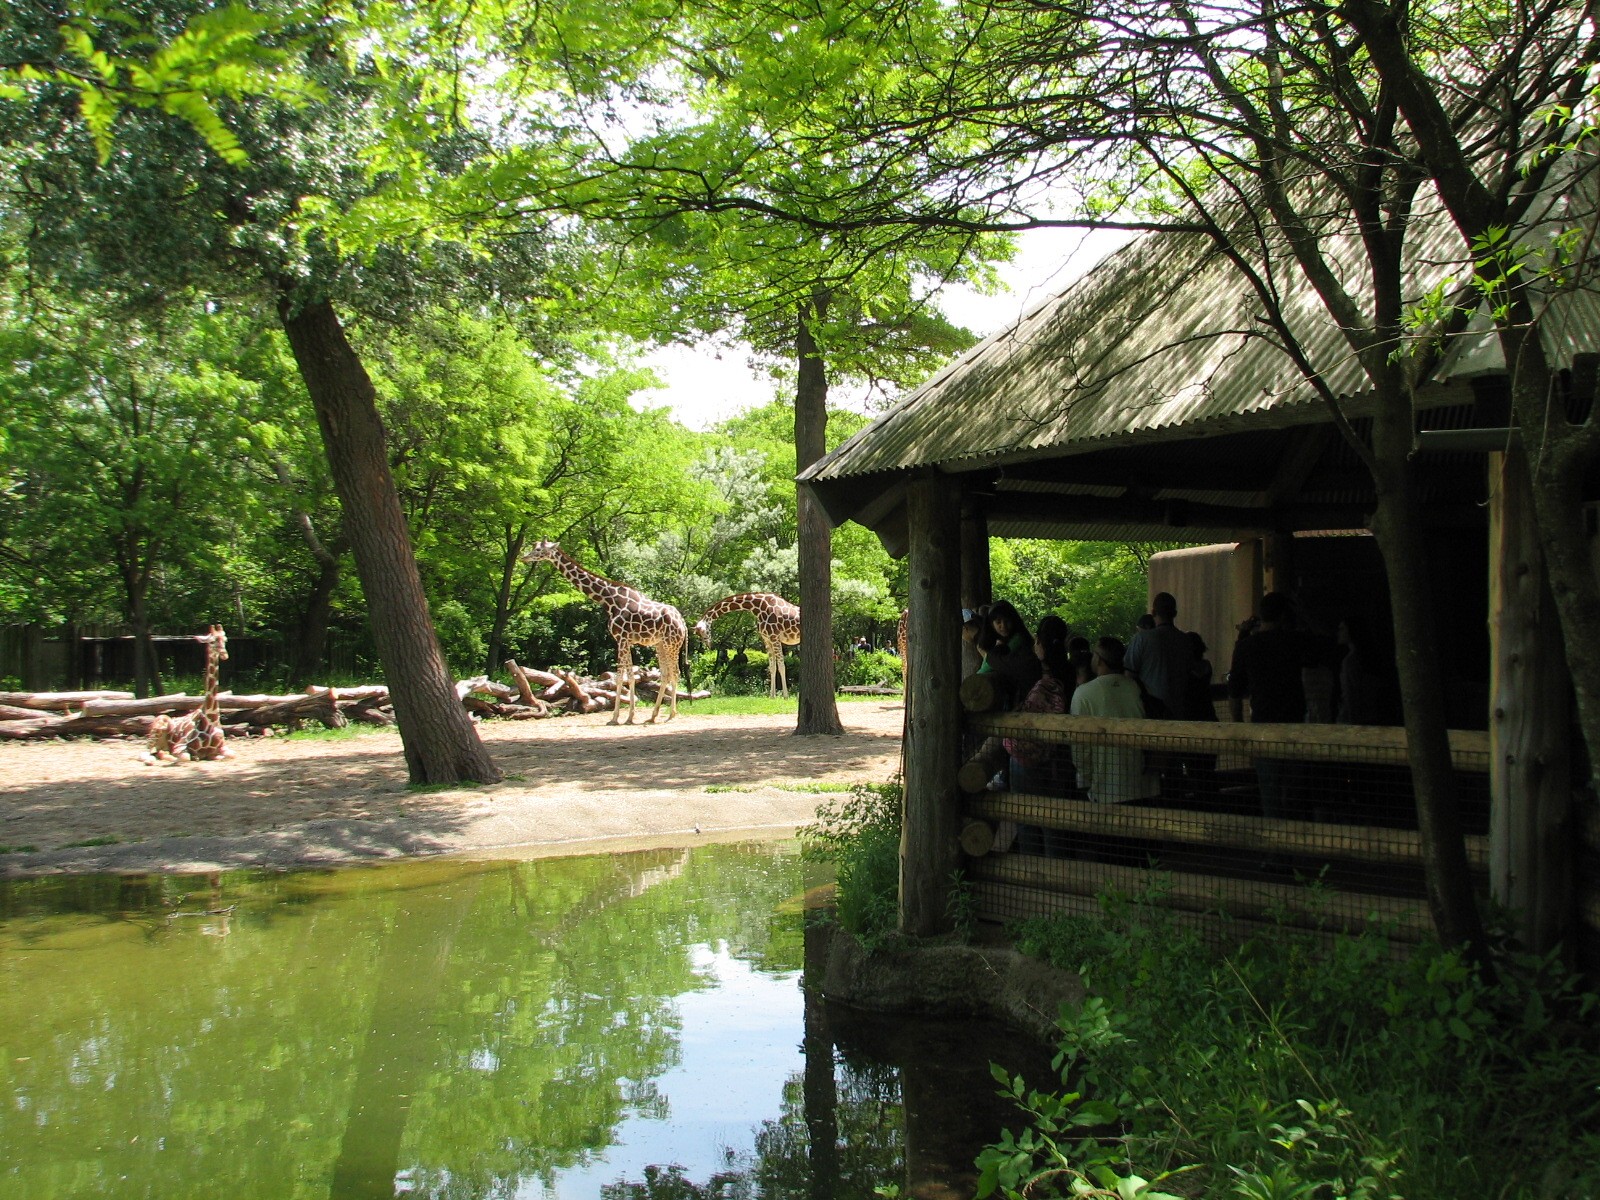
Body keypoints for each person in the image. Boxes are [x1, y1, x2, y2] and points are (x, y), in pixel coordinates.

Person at [1228, 592, 1315, 818]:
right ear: (1285, 615)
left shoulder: (1247, 646)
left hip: (1262, 727)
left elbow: (1235, 691)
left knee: (1270, 794)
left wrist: (1239, 728)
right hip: (1294, 726)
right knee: (1296, 794)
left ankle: (1276, 850)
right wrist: (1303, 615)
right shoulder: (1295, 641)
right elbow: (1321, 642)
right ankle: (1299, 846)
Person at [1068, 637, 1160, 804]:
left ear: (1099, 659)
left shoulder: (1083, 693)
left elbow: (1080, 749)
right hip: (1144, 786)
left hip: (1105, 790)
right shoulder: (1136, 687)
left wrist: (1091, 776)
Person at [1124, 591, 1195, 719]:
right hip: (1183, 710)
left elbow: (1129, 676)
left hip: (1151, 710)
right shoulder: (1186, 641)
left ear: (1153, 612)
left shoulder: (1142, 639)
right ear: (1175, 613)